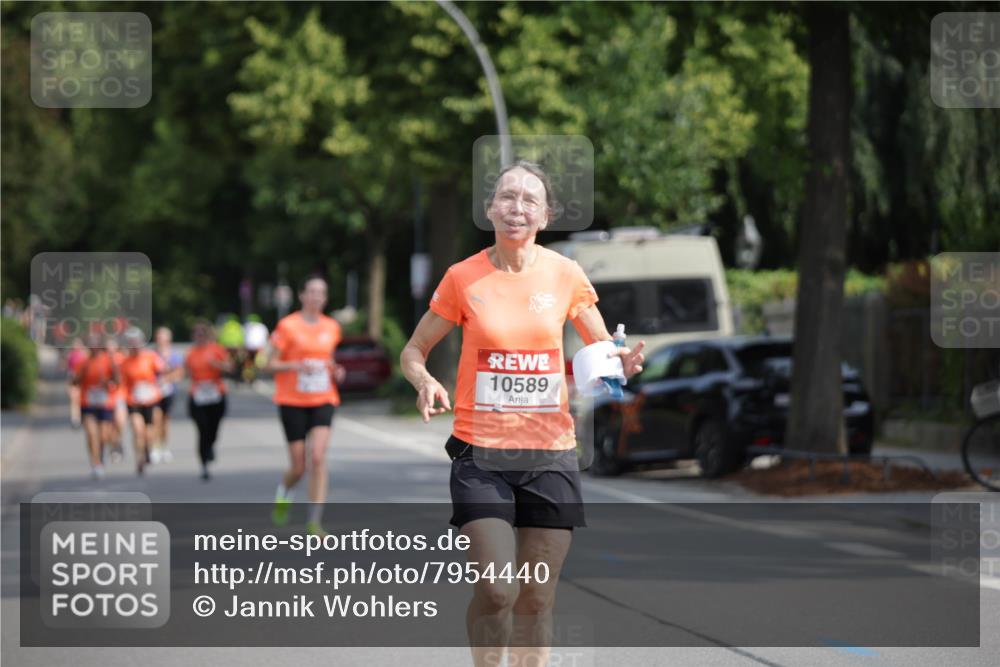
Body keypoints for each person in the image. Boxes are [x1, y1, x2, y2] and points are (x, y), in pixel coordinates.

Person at [400, 161, 645, 667]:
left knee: (536, 599)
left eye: (529, 200)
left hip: (551, 456)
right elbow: (414, 349)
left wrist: (624, 365)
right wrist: (424, 380)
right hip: (480, 454)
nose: (517, 207)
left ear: (545, 214)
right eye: (507, 197)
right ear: (490, 208)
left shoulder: (565, 274)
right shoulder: (463, 277)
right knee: (498, 591)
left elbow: (604, 350)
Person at [264, 275, 344, 535]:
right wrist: (295, 365)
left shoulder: (332, 326)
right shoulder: (287, 326)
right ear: (301, 295)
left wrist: (336, 371)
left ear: (325, 298)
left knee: (318, 457)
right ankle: (283, 494)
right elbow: (268, 364)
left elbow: (329, 360)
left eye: (321, 293)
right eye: (311, 291)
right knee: (299, 466)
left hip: (323, 398)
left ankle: (314, 520)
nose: (316, 297)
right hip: (291, 400)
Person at [184, 321, 233, 480]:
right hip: (198, 394)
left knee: (213, 428)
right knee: (202, 429)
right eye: (197, 334)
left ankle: (211, 445)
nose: (200, 337)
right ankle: (204, 463)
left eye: (202, 334)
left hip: (215, 393)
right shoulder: (190, 353)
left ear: (207, 335)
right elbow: (185, 372)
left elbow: (230, 367)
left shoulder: (216, 349)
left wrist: (217, 364)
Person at [119, 327, 166, 476]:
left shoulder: (150, 357)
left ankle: (148, 449)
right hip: (133, 401)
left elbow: (164, 371)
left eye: (136, 342)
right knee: (137, 430)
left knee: (149, 433)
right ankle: (139, 459)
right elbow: (120, 383)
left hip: (151, 399)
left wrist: (161, 382)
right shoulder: (124, 362)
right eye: (131, 343)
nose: (134, 346)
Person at [73, 334, 120, 479]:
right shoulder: (83, 362)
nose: (93, 348)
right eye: (91, 345)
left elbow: (117, 380)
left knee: (103, 436)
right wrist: (82, 374)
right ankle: (95, 463)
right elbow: (74, 382)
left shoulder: (108, 360)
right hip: (88, 403)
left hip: (105, 402)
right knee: (91, 434)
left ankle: (100, 455)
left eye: (96, 345)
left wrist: (108, 382)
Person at [151, 326, 184, 463]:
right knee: (156, 418)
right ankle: (155, 447)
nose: (161, 341)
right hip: (154, 392)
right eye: (159, 338)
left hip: (169, 391)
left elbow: (179, 373)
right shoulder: (151, 354)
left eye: (163, 339)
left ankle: (164, 446)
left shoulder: (174, 355)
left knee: (165, 420)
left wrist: (166, 379)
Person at [104, 335, 128, 462]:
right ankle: (113, 446)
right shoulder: (101, 361)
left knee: (119, 422)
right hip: (105, 397)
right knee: (107, 428)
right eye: (108, 347)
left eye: (112, 347)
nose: (110, 350)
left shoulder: (122, 359)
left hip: (119, 395)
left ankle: (118, 443)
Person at [64, 337, 89, 428]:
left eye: (77, 344)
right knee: (73, 399)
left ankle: (81, 416)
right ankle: (74, 419)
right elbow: (67, 369)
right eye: (74, 344)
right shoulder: (69, 354)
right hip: (72, 378)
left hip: (82, 379)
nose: (76, 346)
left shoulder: (84, 353)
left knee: (79, 399)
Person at [242, 314, 270, 385]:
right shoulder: (262, 327)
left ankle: (248, 378)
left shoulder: (246, 326)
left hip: (249, 347)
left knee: (248, 364)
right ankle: (259, 378)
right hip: (259, 347)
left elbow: (243, 336)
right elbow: (267, 337)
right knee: (260, 364)